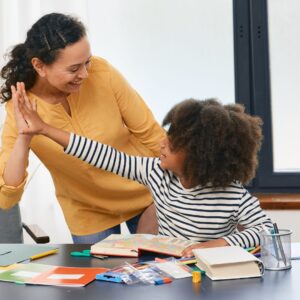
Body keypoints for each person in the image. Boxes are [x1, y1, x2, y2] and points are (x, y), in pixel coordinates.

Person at [15, 93, 273, 256]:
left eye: (172, 143)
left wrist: (215, 245)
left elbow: (265, 230)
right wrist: (45, 129)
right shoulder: (156, 174)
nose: (162, 143)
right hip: (170, 275)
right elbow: (103, 154)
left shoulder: (232, 193)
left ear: (199, 155)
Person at [0, 13, 165, 243]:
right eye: (74, 68)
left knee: (163, 272)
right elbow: (8, 196)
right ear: (39, 66)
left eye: (87, 62)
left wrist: (177, 191)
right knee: (98, 279)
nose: (85, 74)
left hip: (145, 193)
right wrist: (24, 137)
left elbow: (152, 135)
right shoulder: (21, 106)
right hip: (88, 211)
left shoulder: (102, 73)